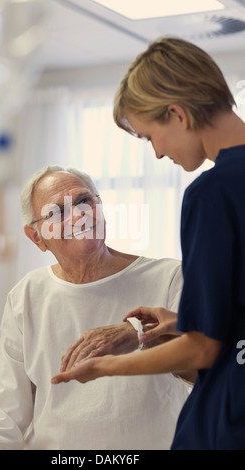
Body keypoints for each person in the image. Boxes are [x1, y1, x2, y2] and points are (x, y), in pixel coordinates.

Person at [51, 37, 245, 450]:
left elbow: (204, 349)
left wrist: (106, 368)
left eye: (149, 136)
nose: (157, 154)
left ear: (177, 114)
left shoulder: (212, 193)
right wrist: (181, 320)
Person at [0, 165, 191, 450]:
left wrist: (139, 334)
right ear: (36, 237)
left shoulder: (169, 278)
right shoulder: (28, 295)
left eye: (85, 201)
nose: (78, 215)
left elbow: (203, 366)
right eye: (57, 211)